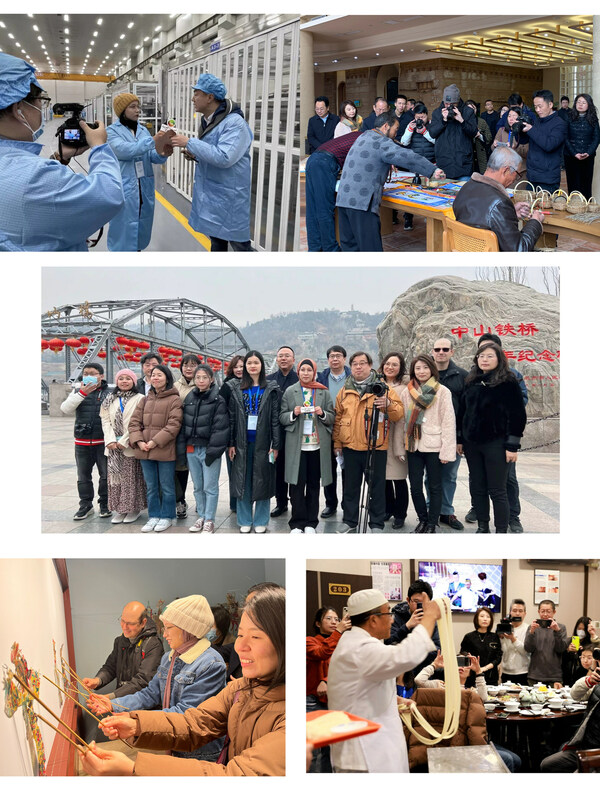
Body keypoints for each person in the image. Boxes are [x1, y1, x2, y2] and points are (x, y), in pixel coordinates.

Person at [80, 585, 285, 776]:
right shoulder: (239, 688)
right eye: (240, 635)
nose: (239, 647)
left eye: (255, 637)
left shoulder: (210, 663)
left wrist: (134, 767)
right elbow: (194, 721)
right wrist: (136, 724)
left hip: (200, 755)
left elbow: (235, 774)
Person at [0, 52, 124, 251]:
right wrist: (100, 147)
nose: (43, 108)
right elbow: (109, 196)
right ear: (19, 109)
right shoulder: (34, 176)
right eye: (41, 101)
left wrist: (58, 158)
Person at [87, 595, 226, 762]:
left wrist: (135, 721)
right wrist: (113, 704)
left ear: (186, 628)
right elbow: (150, 694)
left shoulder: (211, 663)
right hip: (175, 745)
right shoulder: (170, 657)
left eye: (168, 628)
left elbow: (185, 714)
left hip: (199, 753)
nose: (164, 634)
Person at [327, 588, 440, 773]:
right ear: (373, 619)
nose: (393, 619)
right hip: (366, 757)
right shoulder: (359, 648)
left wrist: (395, 700)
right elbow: (405, 656)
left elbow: (361, 691)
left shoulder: (358, 643)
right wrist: (429, 617)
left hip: (373, 749)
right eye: (389, 612)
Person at [336, 111, 444, 251]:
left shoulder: (364, 136)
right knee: (371, 251)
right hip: (362, 203)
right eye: (395, 129)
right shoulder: (381, 141)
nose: (395, 134)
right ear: (386, 126)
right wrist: (432, 170)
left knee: (350, 249)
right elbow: (406, 156)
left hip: (343, 200)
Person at [169, 74, 253, 251]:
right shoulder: (210, 121)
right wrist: (196, 155)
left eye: (197, 93)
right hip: (215, 195)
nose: (193, 98)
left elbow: (224, 157)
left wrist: (189, 142)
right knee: (217, 242)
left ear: (210, 97)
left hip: (230, 197)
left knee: (240, 246)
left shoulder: (234, 123)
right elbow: (212, 152)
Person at [456, 342, 526, 533]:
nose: (484, 360)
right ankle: (482, 526)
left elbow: (518, 415)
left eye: (489, 356)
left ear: (499, 359)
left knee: (497, 490)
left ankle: (501, 530)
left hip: (497, 443)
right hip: (472, 444)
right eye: (481, 356)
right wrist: (460, 439)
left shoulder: (508, 382)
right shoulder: (471, 381)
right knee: (477, 487)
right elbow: (463, 412)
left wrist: (513, 445)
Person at [333, 351, 403, 532]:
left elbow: (398, 414)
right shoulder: (344, 390)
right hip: (350, 446)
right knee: (350, 487)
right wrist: (337, 443)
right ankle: (350, 521)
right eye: (354, 363)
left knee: (377, 488)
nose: (358, 366)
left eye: (362, 363)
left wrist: (387, 404)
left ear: (370, 366)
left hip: (375, 446)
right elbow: (338, 418)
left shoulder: (383, 388)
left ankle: (376, 523)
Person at [106, 93, 172, 251]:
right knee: (123, 227)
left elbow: (150, 156)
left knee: (142, 225)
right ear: (122, 110)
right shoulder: (111, 131)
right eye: (133, 107)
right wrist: (153, 141)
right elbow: (124, 150)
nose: (138, 110)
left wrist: (163, 153)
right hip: (126, 188)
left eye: (138, 106)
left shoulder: (143, 130)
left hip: (144, 188)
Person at [399, 355, 456, 533]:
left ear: (432, 369)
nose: (421, 371)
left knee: (434, 486)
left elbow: (448, 422)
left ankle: (432, 523)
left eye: (425, 367)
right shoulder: (407, 391)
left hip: (434, 445)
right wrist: (401, 447)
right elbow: (402, 422)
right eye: (418, 368)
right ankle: (422, 519)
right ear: (413, 371)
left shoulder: (442, 391)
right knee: (415, 486)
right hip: (413, 445)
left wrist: (447, 452)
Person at [228, 351, 281, 533]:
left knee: (263, 480)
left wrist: (276, 444)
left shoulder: (271, 388)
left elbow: (275, 419)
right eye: (249, 363)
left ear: (261, 365)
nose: (252, 366)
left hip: (264, 443)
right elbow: (232, 418)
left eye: (255, 362)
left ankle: (260, 520)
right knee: (243, 481)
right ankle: (244, 520)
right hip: (242, 442)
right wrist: (231, 443)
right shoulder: (237, 387)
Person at [453, 146, 544, 251]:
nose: (515, 180)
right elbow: (519, 250)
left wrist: (511, 212)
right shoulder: (500, 203)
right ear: (506, 171)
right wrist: (535, 222)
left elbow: (480, 217)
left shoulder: (466, 188)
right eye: (517, 174)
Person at [280, 359, 335, 533]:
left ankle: (311, 523)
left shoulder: (323, 392)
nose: (305, 373)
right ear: (298, 371)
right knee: (296, 486)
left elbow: (332, 417)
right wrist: (293, 413)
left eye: (309, 370)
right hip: (297, 447)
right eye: (302, 369)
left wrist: (322, 413)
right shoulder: (290, 391)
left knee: (313, 485)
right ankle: (296, 523)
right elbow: (282, 417)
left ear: (314, 372)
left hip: (317, 447)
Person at [128, 364, 183, 532]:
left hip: (163, 449)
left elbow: (174, 425)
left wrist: (154, 442)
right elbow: (134, 423)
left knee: (166, 485)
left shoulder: (174, 399)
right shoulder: (145, 400)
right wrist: (138, 442)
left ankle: (167, 516)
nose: (155, 378)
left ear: (167, 377)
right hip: (144, 449)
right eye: (153, 375)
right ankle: (153, 516)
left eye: (159, 375)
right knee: (150, 485)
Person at [177, 364, 229, 533]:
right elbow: (183, 425)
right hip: (191, 448)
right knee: (198, 486)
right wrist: (182, 449)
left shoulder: (218, 399)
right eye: (198, 377)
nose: (200, 380)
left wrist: (213, 452)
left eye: (204, 377)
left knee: (210, 487)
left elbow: (220, 428)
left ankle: (209, 519)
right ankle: (201, 515)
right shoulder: (190, 398)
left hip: (208, 449)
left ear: (211, 379)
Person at [60, 362, 111, 521]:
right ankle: (85, 505)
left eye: (93, 373)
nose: (89, 375)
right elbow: (65, 409)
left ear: (101, 376)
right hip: (82, 442)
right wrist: (82, 393)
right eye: (86, 372)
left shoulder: (109, 392)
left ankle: (105, 504)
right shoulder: (77, 391)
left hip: (103, 441)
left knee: (106, 476)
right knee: (83, 476)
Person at [81, 601, 163, 698]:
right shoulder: (120, 641)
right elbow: (110, 667)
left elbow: (143, 681)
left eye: (130, 623)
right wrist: (97, 681)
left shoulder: (153, 644)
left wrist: (111, 697)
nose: (124, 627)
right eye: (123, 621)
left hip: (143, 707)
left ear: (143, 623)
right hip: (121, 702)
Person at [99, 368, 147, 524]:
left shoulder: (141, 398)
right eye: (121, 378)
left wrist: (123, 440)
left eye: (128, 378)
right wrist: (110, 440)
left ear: (133, 381)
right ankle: (120, 509)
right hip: (113, 447)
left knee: (131, 478)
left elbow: (139, 422)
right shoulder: (109, 399)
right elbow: (105, 420)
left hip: (130, 445)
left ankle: (133, 509)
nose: (124, 381)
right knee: (116, 479)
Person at [306, 607, 351, 772]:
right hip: (313, 701)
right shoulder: (309, 641)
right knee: (313, 750)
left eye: (337, 619)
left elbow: (346, 668)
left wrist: (325, 680)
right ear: (318, 623)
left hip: (335, 699)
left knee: (330, 749)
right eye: (329, 619)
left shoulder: (343, 643)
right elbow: (322, 652)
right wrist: (338, 631)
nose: (334, 622)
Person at [430, 337, 466, 531]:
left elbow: (465, 411)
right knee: (430, 476)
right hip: (429, 435)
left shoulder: (462, 376)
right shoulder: (425, 375)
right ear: (432, 352)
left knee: (449, 475)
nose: (441, 352)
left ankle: (446, 511)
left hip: (453, 436)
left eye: (445, 349)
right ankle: (430, 510)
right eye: (437, 349)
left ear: (452, 351)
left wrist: (461, 439)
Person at [317, 346, 351, 518]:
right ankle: (331, 504)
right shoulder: (321, 378)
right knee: (327, 469)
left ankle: (348, 504)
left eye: (338, 356)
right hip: (326, 428)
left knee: (349, 470)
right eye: (331, 356)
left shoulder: (353, 377)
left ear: (345, 359)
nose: (335, 359)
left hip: (348, 429)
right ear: (328, 360)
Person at [386, 580, 441, 681]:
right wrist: (407, 626)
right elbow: (388, 643)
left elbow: (438, 649)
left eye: (424, 603)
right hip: (399, 675)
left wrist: (416, 654)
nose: (420, 606)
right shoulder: (396, 616)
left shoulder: (431, 620)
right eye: (416, 602)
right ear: (408, 600)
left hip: (423, 673)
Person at [267, 346, 299, 518]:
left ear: (293, 359)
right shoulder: (270, 380)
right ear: (277, 359)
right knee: (278, 469)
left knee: (294, 469)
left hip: (295, 430)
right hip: (275, 431)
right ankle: (281, 503)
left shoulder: (300, 378)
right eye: (280, 356)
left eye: (287, 356)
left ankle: (296, 502)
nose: (284, 359)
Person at [540, 684, 600, 772]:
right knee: (547, 764)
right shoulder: (597, 688)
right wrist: (588, 680)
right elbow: (575, 695)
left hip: (595, 755)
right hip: (584, 746)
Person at [379, 352, 409, 529]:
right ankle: (388, 508)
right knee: (384, 478)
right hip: (379, 437)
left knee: (398, 479)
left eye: (394, 365)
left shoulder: (405, 388)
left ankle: (400, 514)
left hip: (396, 438)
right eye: (387, 364)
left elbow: (404, 417)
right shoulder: (376, 384)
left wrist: (400, 447)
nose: (390, 367)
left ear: (400, 368)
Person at [521, 89, 567, 193]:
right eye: (535, 107)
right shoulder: (537, 121)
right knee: (529, 208)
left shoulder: (559, 124)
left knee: (544, 208)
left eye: (540, 106)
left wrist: (531, 129)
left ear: (550, 104)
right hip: (532, 176)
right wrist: (520, 131)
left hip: (547, 178)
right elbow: (526, 141)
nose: (537, 110)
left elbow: (549, 145)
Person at [428, 84, 478, 179]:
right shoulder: (437, 112)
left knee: (463, 193)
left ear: (458, 102)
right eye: (446, 103)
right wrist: (443, 121)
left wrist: (462, 121)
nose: (448, 106)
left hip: (463, 164)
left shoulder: (468, 112)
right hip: (444, 164)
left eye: (452, 104)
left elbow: (474, 133)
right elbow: (432, 133)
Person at [173, 353, 201, 519]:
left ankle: (201, 500)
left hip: (197, 435)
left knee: (199, 468)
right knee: (180, 468)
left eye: (193, 365)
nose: (189, 368)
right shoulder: (174, 386)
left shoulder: (204, 384)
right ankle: (180, 500)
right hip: (179, 434)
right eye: (186, 365)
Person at [400, 102, 436, 231]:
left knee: (431, 192)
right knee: (412, 193)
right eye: (418, 117)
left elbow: (436, 140)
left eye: (423, 117)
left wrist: (425, 131)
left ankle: (430, 216)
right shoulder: (411, 125)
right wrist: (410, 129)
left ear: (427, 115)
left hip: (431, 163)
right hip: (415, 164)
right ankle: (408, 218)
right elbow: (404, 142)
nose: (420, 120)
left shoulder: (433, 125)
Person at [219, 355, 245, 512]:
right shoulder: (227, 386)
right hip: (233, 436)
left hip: (249, 434)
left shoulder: (253, 384)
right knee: (233, 471)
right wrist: (229, 441)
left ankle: (245, 502)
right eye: (236, 366)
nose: (239, 369)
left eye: (242, 366)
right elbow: (222, 413)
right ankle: (234, 504)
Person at [524, 600, 568, 686]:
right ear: (538, 612)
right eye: (542, 611)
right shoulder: (532, 627)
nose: (545, 614)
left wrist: (557, 631)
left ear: (554, 612)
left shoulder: (561, 627)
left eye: (548, 611)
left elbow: (561, 649)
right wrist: (531, 632)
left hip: (554, 677)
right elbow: (528, 649)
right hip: (534, 676)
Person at [564, 93, 599, 199]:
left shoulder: (593, 119)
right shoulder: (569, 117)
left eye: (584, 102)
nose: (580, 104)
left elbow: (596, 138)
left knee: (586, 185)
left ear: (589, 105)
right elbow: (565, 137)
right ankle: (574, 207)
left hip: (588, 156)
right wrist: (574, 153)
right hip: (571, 156)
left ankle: (586, 211)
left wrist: (588, 152)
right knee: (573, 184)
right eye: (578, 102)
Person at [460, 609, 502, 686]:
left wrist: (484, 668)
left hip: (491, 677)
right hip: (472, 677)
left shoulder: (495, 637)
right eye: (482, 616)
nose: (485, 619)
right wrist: (474, 665)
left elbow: (498, 658)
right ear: (477, 619)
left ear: (491, 620)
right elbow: (463, 654)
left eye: (488, 617)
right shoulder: (469, 637)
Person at [492, 106, 529, 180]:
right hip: (503, 170)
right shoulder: (502, 130)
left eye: (514, 116)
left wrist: (515, 147)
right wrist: (495, 145)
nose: (511, 119)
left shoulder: (525, 132)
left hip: (520, 172)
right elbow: (493, 149)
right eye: (509, 116)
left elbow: (527, 152)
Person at [498, 598, 530, 684]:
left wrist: (513, 639)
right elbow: (500, 650)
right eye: (515, 610)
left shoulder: (528, 629)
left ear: (525, 614)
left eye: (520, 611)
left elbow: (526, 651)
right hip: (505, 672)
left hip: (522, 672)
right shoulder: (504, 627)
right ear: (510, 613)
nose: (517, 613)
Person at [562, 616, 596, 686]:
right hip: (567, 680)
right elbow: (562, 661)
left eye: (583, 629)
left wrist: (582, 652)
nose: (581, 631)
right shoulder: (568, 641)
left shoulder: (591, 645)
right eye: (579, 629)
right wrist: (568, 651)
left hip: (584, 680)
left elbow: (588, 664)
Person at [465, 100, 492, 173]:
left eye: (473, 109)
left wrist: (480, 135)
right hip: (466, 156)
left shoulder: (481, 122)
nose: (471, 111)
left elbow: (489, 137)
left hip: (480, 155)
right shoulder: (461, 122)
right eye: (469, 109)